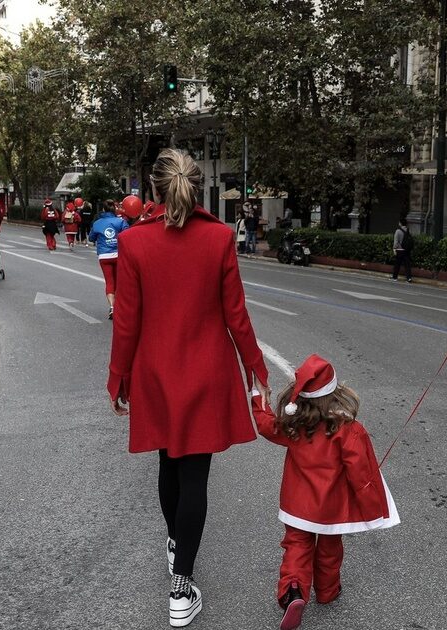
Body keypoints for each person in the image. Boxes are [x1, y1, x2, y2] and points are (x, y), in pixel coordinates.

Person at [107, 148, 269, 628]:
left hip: (156, 372)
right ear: (197, 187)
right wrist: (256, 369)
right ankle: (181, 587)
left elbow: (127, 323)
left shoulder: (134, 242)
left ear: (153, 189)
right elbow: (236, 314)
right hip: (206, 372)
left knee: (167, 462)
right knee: (195, 475)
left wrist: (119, 378)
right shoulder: (219, 237)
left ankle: (177, 546)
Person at [251, 354, 400, 630]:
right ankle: (328, 591)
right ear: (335, 392)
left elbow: (266, 426)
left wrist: (258, 399)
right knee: (330, 548)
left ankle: (293, 591)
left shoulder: (294, 425)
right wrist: (372, 507)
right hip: (332, 508)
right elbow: (361, 473)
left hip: (297, 506)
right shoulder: (348, 429)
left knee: (296, 546)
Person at [88, 199, 129, 319]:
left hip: (104, 256)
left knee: (109, 282)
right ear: (114, 209)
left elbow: (91, 238)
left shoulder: (97, 223)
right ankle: (122, 305)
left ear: (103, 209)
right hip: (119, 255)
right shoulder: (121, 221)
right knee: (120, 281)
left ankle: (112, 306)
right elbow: (128, 236)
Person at [392, 218, 413, 283]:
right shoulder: (408, 231)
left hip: (400, 250)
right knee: (407, 265)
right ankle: (409, 278)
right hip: (407, 250)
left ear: (400, 223)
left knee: (397, 264)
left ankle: (394, 277)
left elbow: (396, 242)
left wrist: (394, 249)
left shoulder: (398, 231)